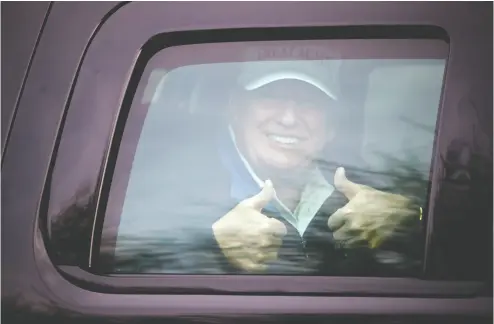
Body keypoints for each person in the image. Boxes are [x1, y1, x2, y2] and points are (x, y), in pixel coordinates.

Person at [114, 60, 424, 276]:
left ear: (331, 127)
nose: (289, 117)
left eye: (309, 102)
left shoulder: (359, 184)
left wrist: (410, 217)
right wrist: (213, 249)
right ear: (235, 109)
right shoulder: (176, 184)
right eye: (271, 96)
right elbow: (124, 269)